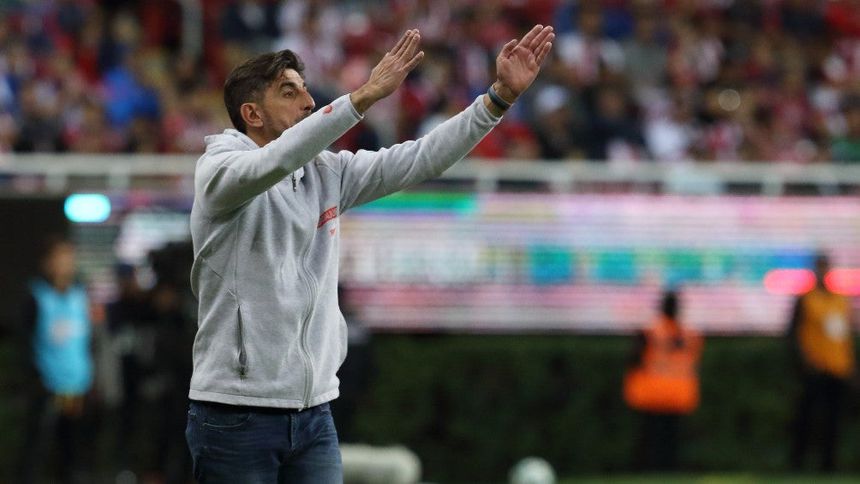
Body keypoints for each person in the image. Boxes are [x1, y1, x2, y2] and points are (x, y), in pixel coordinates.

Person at [185, 25, 555, 483]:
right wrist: (362, 98)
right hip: (234, 412)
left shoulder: (326, 172)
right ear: (252, 113)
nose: (309, 103)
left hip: (314, 412)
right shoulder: (218, 171)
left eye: (305, 90)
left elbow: (421, 158)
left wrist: (497, 100)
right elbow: (272, 162)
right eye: (289, 92)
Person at [18, 236, 94, 484]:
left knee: (73, 453)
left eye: (69, 258)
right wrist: (36, 380)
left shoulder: (80, 296)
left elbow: (88, 342)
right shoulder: (36, 296)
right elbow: (25, 343)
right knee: (36, 450)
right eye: (60, 258)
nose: (66, 264)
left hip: (77, 387)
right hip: (47, 387)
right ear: (47, 262)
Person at [788, 253, 855, 472]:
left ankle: (829, 465)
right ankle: (798, 464)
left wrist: (850, 366)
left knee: (833, 419)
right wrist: (804, 362)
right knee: (807, 418)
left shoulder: (840, 300)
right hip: (814, 368)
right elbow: (793, 334)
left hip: (838, 367)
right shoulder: (805, 299)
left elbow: (845, 336)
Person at [623, 290, 703, 471]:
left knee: (651, 437)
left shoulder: (650, 332)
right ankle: (668, 468)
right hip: (679, 394)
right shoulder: (689, 335)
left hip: (652, 394)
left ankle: (650, 468)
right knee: (671, 438)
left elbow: (633, 360)